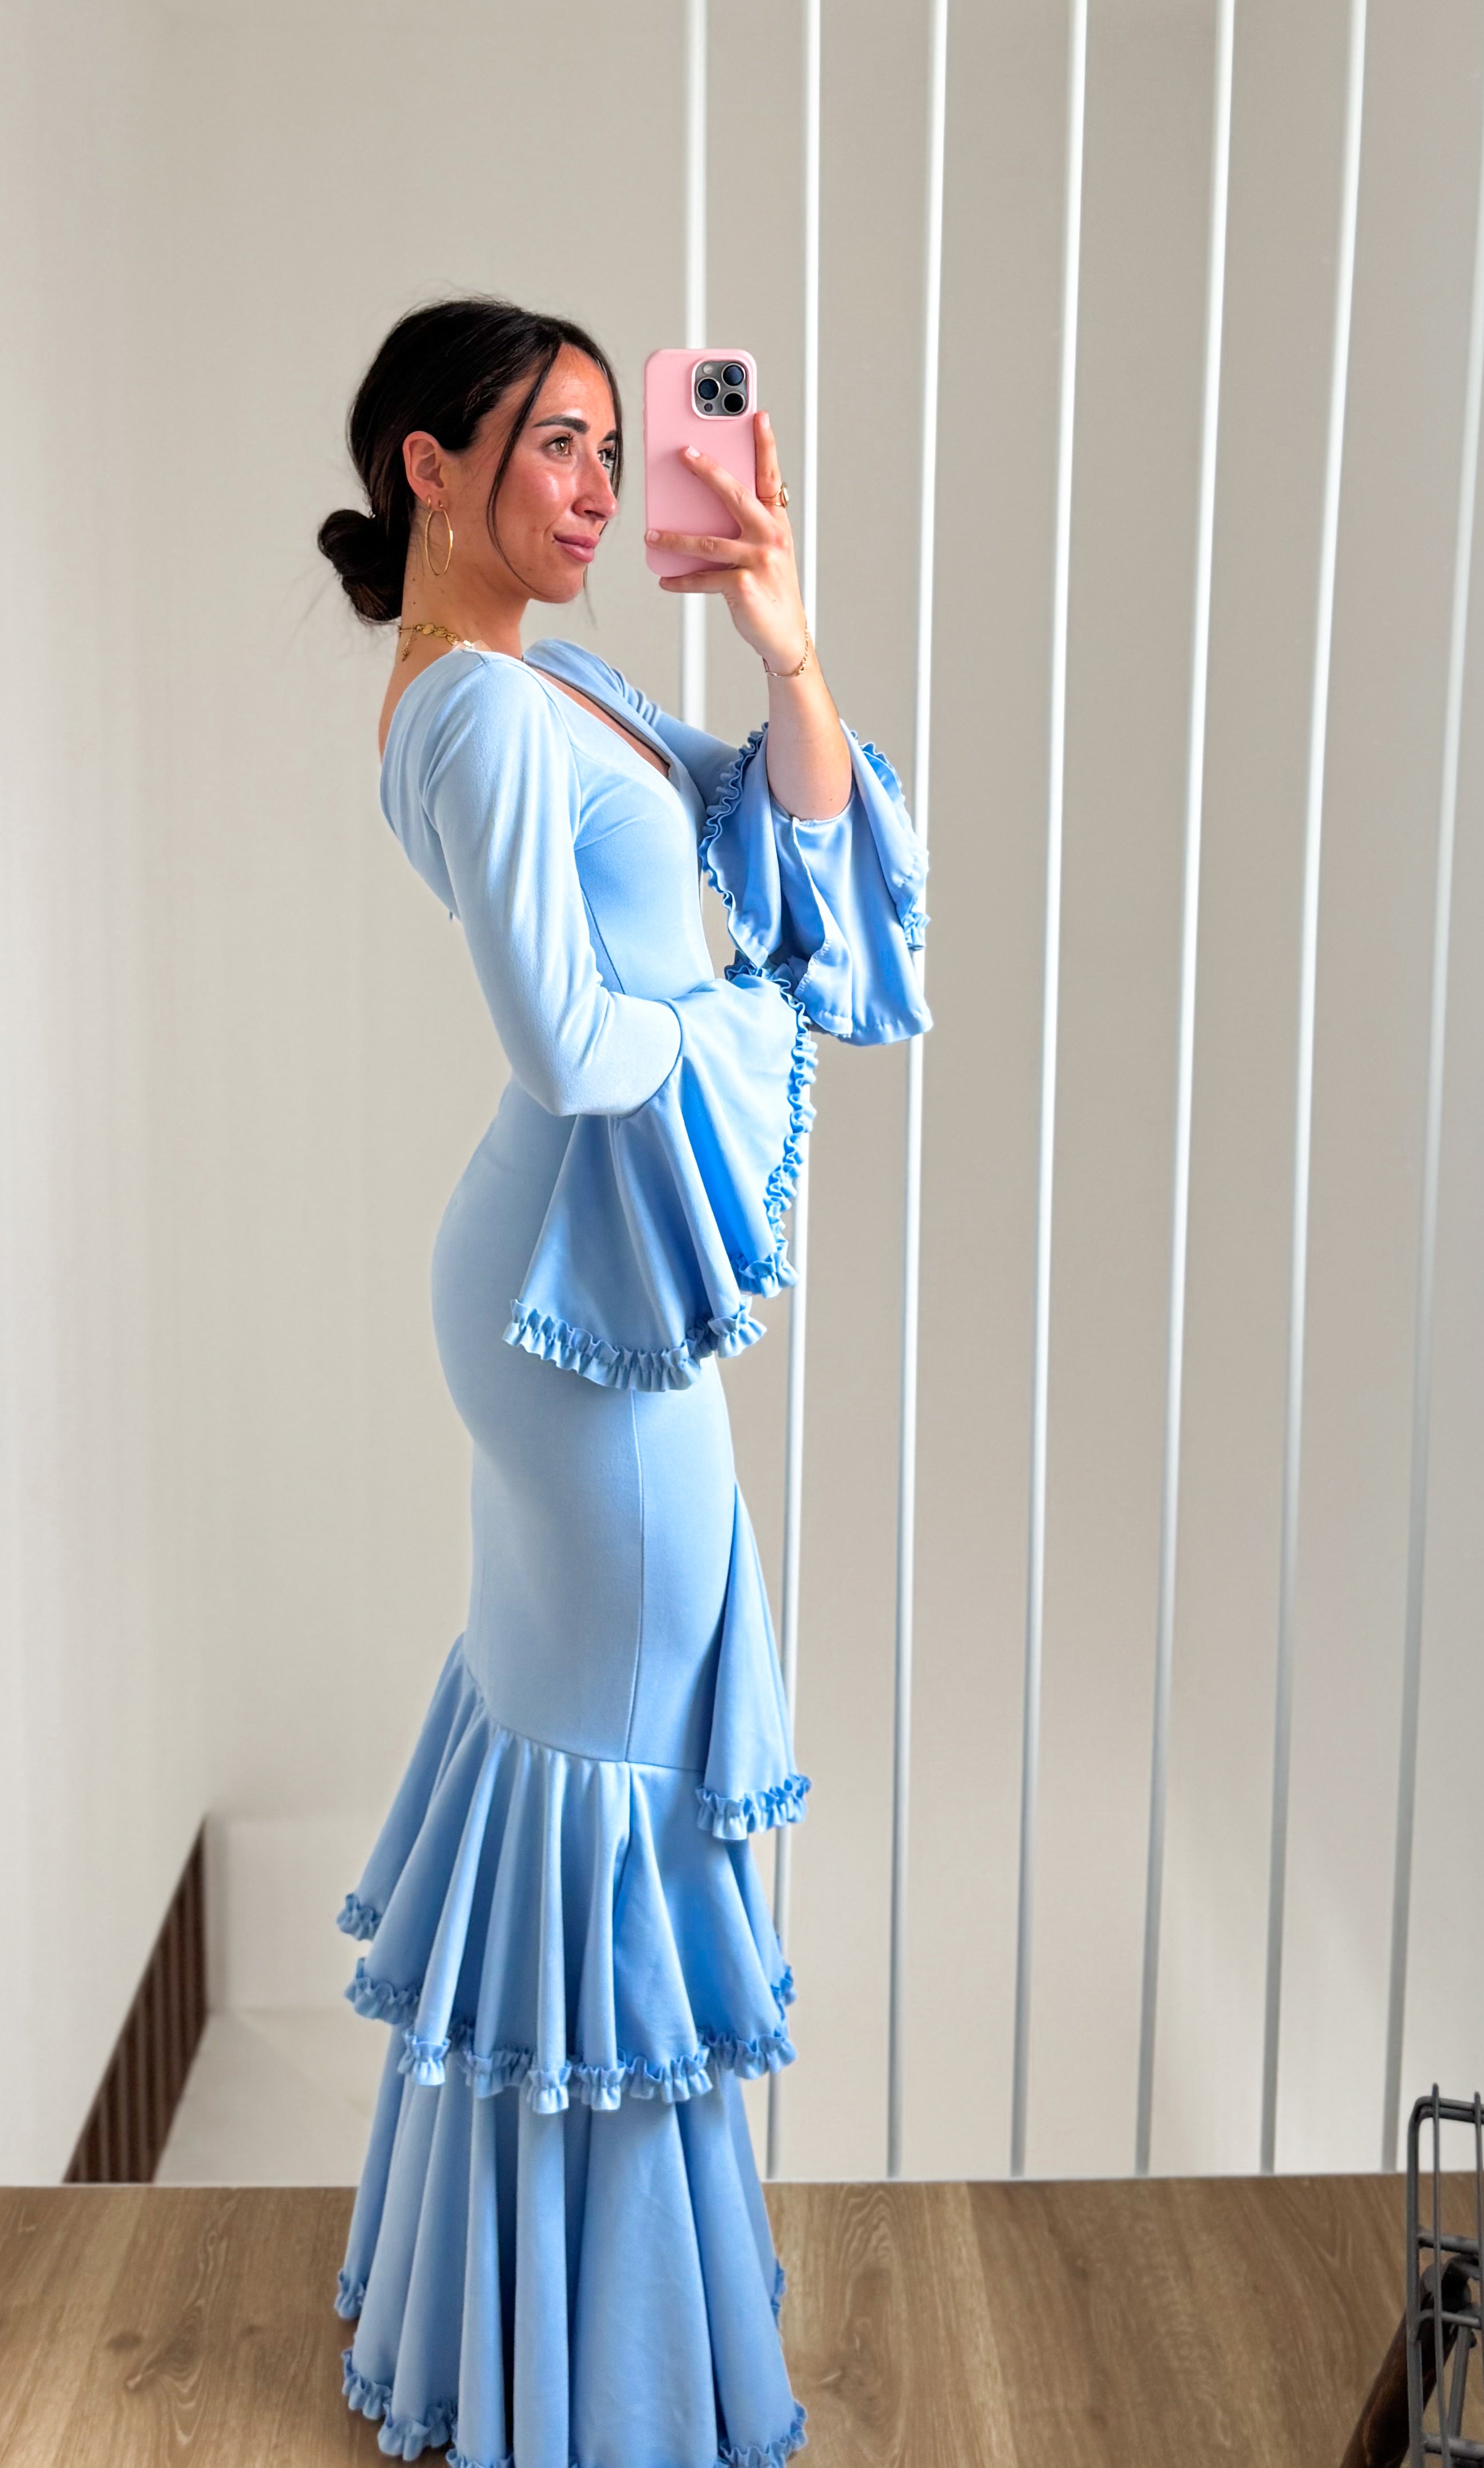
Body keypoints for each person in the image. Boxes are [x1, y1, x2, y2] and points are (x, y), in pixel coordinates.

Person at [316, 298, 928, 2468]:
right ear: (429, 467)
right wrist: (740, 1020)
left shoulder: (555, 678)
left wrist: (784, 644)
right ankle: (595, 2377)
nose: (596, 488)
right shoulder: (480, 709)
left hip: (574, 1292)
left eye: (609, 445)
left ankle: (528, 2328)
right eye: (553, 445)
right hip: (572, 1307)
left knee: (585, 1766)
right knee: (623, 1792)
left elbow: (773, 844)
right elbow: (575, 1044)